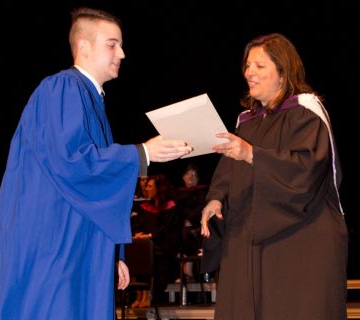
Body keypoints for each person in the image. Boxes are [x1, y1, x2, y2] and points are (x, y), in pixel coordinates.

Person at [0, 7, 192, 320]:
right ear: (83, 47)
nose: (122, 52)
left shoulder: (90, 99)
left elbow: (97, 188)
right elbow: (74, 163)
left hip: (77, 241)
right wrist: (142, 153)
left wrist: (113, 253)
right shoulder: (63, 89)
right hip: (54, 243)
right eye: (112, 44)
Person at [200, 33, 348, 320]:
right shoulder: (247, 121)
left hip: (301, 239)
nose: (249, 73)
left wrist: (253, 155)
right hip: (248, 238)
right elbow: (229, 172)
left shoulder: (305, 110)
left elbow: (307, 170)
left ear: (283, 71)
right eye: (246, 66)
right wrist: (216, 199)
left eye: (259, 66)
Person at [133, 174, 182, 305]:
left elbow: (166, 229)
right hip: (150, 245)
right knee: (138, 250)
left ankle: (150, 296)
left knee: (152, 254)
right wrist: (138, 234)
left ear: (159, 189)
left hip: (165, 248)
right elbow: (140, 224)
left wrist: (150, 236)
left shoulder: (170, 206)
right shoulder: (146, 206)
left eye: (150, 186)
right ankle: (141, 294)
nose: (147, 189)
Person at [175, 164, 208, 283]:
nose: (191, 177)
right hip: (181, 224)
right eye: (188, 174)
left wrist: (190, 219)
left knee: (186, 233)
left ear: (198, 177)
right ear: (183, 176)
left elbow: (202, 207)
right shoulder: (178, 192)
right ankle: (182, 271)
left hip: (197, 224)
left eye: (194, 174)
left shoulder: (202, 191)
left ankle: (188, 271)